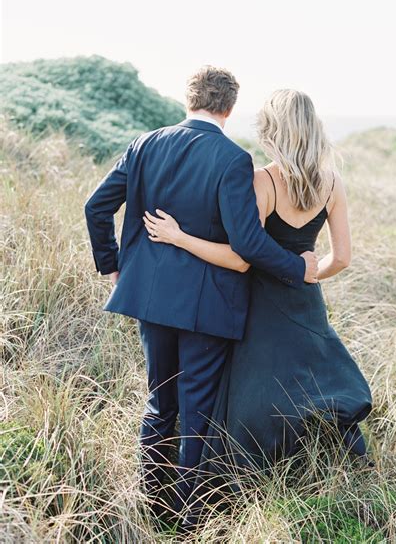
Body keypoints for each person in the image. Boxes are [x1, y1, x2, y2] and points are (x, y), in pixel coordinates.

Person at [84, 68, 319, 527]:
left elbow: (96, 206)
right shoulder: (234, 159)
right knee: (196, 410)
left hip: (149, 300)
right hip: (207, 305)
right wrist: (298, 267)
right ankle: (189, 518)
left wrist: (111, 265)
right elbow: (248, 243)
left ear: (187, 99)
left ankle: (150, 507)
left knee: (159, 402)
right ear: (230, 108)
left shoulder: (144, 143)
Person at [143, 89, 373, 518]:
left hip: (258, 307)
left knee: (248, 398)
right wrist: (308, 274)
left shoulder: (263, 181)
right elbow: (341, 258)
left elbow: (239, 256)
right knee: (308, 388)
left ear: (272, 130)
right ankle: (312, 472)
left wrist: (179, 237)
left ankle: (232, 495)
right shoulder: (332, 183)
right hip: (307, 304)